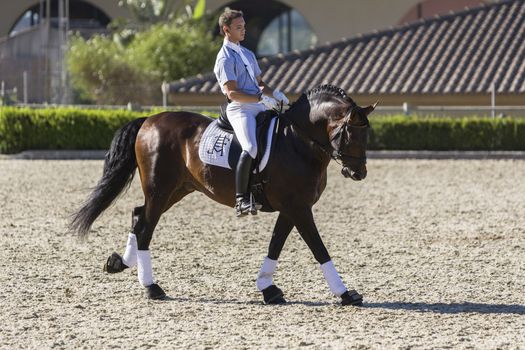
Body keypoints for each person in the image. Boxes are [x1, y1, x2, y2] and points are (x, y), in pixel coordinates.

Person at [214, 9, 289, 217]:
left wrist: (275, 94)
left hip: (260, 104)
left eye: (244, 26)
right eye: (239, 28)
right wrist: (258, 99)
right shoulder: (224, 58)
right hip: (241, 108)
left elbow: (260, 84)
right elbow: (232, 93)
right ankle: (241, 199)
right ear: (226, 30)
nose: (244, 31)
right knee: (250, 147)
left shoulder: (247, 53)